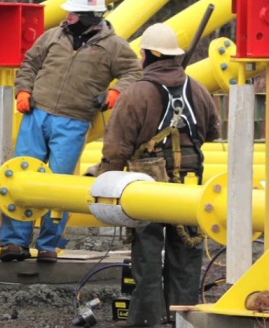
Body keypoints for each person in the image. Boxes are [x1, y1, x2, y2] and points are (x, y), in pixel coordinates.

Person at [0, 0, 142, 263]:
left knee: (60, 185)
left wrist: (115, 92)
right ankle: (14, 242)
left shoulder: (113, 46)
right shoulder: (53, 36)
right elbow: (30, 63)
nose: (68, 17)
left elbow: (133, 72)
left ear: (89, 16)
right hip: (36, 115)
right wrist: (23, 90)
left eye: (74, 13)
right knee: (21, 177)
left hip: (73, 122)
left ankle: (48, 245)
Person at [96, 23, 221, 328]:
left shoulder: (137, 93)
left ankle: (147, 318)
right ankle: (183, 318)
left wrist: (105, 180)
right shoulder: (197, 89)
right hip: (189, 181)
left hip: (148, 183)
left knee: (148, 250)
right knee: (187, 248)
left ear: (148, 55)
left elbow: (117, 145)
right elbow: (213, 131)